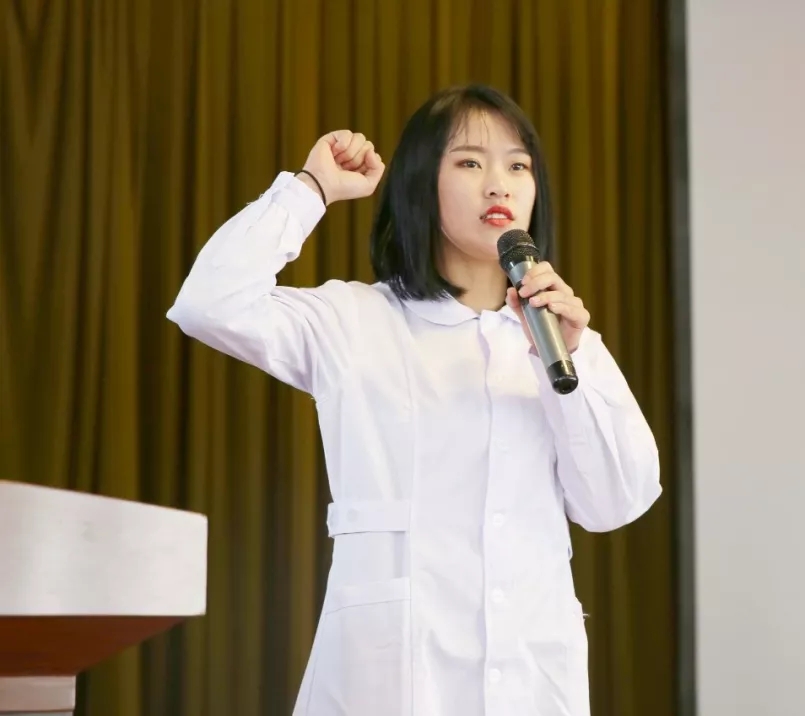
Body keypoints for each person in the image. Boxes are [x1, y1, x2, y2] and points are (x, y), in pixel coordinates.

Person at [166, 84, 661, 716]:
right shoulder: (354, 320)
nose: (499, 186)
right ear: (421, 182)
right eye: (470, 162)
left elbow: (617, 502)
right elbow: (208, 304)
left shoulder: (564, 339)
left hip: (532, 681)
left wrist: (568, 361)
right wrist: (310, 190)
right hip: (392, 682)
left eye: (518, 166)